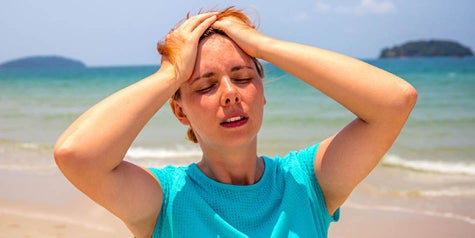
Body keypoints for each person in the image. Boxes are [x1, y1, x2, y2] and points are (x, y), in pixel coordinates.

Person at [54, 7, 417, 238]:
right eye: (207, 85)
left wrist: (264, 46)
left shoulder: (306, 183)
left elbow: (395, 101)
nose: (230, 93)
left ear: (262, 92)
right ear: (180, 112)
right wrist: (171, 73)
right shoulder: (166, 201)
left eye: (243, 77)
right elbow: (76, 155)